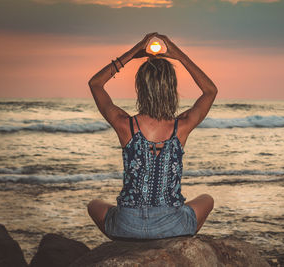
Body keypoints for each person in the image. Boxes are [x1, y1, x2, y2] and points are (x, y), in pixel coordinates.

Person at [87, 32, 217, 239]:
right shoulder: (181, 126)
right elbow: (210, 91)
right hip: (171, 225)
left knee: (94, 205)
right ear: (172, 89)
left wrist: (134, 52)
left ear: (141, 88)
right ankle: (178, 240)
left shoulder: (125, 124)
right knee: (207, 199)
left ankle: (132, 237)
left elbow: (95, 84)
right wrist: (177, 54)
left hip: (127, 225)